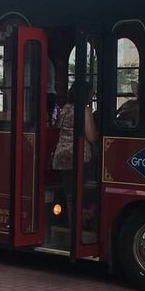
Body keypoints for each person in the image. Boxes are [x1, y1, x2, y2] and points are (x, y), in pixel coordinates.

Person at [52, 82, 98, 226]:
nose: (93, 96)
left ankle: (73, 227)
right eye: (91, 93)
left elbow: (58, 127)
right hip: (78, 155)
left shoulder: (65, 108)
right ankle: (83, 222)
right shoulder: (85, 110)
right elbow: (91, 137)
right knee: (86, 191)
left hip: (61, 156)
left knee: (70, 195)